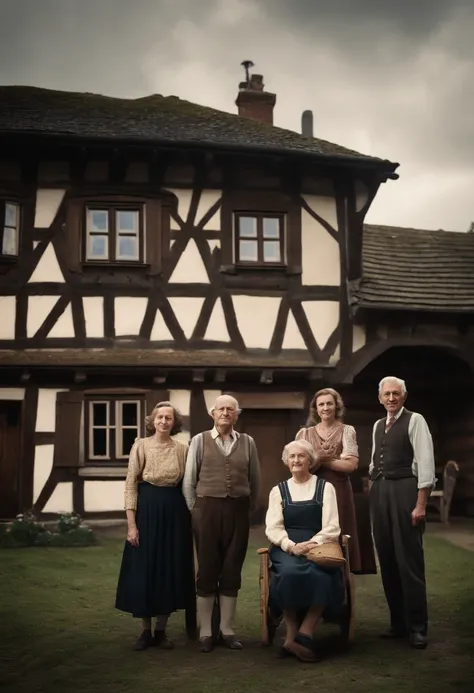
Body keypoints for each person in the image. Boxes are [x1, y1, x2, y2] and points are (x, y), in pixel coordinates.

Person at [182, 394, 260, 653]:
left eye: (231, 409)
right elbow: (189, 481)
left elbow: (255, 481)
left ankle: (227, 630)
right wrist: (196, 510)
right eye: (221, 409)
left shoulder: (248, 443)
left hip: (238, 511)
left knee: (231, 569)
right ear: (213, 414)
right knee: (207, 569)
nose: (226, 413)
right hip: (207, 510)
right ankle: (206, 632)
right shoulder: (199, 441)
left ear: (237, 415)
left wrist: (246, 508)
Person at [115, 401, 195, 651]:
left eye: (168, 418)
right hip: (146, 511)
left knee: (168, 567)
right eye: (159, 417)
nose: (163, 421)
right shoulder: (141, 446)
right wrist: (131, 525)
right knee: (146, 568)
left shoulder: (183, 449)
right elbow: (130, 484)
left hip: (174, 511)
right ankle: (145, 631)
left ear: (174, 422)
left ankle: (161, 631)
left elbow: (188, 484)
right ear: (153, 421)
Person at [369, 376, 436, 649]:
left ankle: (418, 626)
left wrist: (420, 504)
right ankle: (398, 623)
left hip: (406, 492)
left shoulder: (416, 420)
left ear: (404, 396)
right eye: (387, 394)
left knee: (409, 561)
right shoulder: (376, 425)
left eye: (396, 394)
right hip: (381, 493)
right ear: (380, 397)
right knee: (387, 559)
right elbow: (375, 461)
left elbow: (426, 463)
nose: (392, 398)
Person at [265, 439, 343, 663]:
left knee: (321, 575)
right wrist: (291, 546)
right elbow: (273, 527)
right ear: (287, 461)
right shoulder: (278, 491)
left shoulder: (325, 487)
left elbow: (332, 526)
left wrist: (312, 543)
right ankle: (291, 636)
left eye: (301, 456)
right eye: (292, 456)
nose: (297, 460)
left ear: (310, 460)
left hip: (318, 545)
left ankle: (305, 632)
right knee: (289, 574)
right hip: (287, 546)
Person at [296, 388, 376, 574]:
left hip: (339, 489)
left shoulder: (347, 431)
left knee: (339, 532)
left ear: (336, 406)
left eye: (329, 403)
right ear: (315, 408)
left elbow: (351, 466)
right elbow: (298, 466)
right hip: (311, 490)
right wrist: (329, 459)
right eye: (321, 404)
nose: (325, 408)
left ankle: (342, 577)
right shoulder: (304, 434)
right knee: (314, 531)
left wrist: (321, 460)